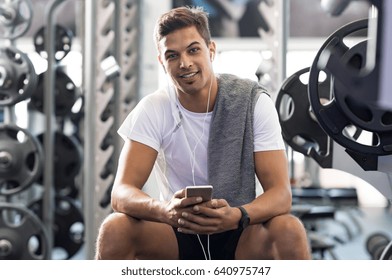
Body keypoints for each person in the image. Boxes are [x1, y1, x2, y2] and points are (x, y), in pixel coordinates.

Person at [95, 6, 311, 260]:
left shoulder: (253, 103)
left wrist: (237, 215)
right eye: (172, 55)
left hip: (239, 230)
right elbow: (121, 192)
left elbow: (281, 195)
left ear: (211, 50)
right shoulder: (154, 108)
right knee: (115, 228)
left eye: (193, 50)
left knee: (289, 229)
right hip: (178, 229)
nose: (184, 63)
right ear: (162, 62)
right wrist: (165, 210)